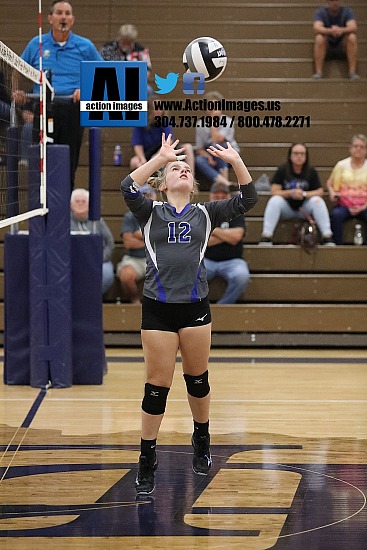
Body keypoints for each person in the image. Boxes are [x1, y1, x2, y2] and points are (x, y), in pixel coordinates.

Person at [120, 134, 258, 495]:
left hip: (195, 307)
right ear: (163, 184)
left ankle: (202, 437)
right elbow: (127, 187)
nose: (181, 171)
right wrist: (160, 157)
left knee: (197, 380)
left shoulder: (205, 213)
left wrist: (234, 161)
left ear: (192, 186)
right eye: (174, 170)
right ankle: (146, 457)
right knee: (156, 388)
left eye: (185, 168)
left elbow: (250, 198)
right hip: (158, 309)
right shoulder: (150, 211)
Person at [14, 1, 103, 189]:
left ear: (72, 19)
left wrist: (86, 89)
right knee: (41, 159)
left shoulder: (84, 46)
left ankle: (64, 208)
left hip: (73, 107)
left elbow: (103, 73)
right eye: (59, 13)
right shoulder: (37, 43)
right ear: (50, 18)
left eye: (67, 13)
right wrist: (18, 92)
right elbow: (16, 70)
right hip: (43, 107)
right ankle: (40, 208)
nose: (63, 17)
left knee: (68, 161)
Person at [259, 143, 335, 246]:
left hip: (304, 208)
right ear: (290, 155)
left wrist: (304, 194)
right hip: (287, 207)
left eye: (302, 154)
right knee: (275, 200)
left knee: (318, 201)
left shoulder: (311, 171)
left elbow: (319, 191)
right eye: (296, 153)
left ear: (306, 156)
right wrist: (290, 193)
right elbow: (274, 191)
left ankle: (327, 236)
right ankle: (266, 236)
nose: (299, 156)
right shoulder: (283, 169)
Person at [204, 182, 250, 304]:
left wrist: (213, 229)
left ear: (229, 197)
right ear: (210, 196)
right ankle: (198, 307)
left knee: (241, 275)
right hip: (206, 260)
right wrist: (227, 236)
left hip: (233, 261)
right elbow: (203, 241)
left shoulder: (236, 212)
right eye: (216, 196)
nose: (219, 199)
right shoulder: (203, 212)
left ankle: (223, 306)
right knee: (189, 272)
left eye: (223, 196)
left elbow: (237, 236)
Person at [130, 96, 195, 174]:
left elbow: (169, 141)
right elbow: (137, 145)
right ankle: (141, 183)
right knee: (134, 162)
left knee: (187, 147)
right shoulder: (141, 124)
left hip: (162, 150)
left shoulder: (165, 122)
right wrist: (142, 158)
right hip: (148, 152)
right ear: (149, 110)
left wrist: (158, 156)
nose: (159, 111)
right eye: (156, 108)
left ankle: (191, 178)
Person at [116, 183, 157, 303]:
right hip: (135, 258)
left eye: (150, 195)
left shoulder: (162, 214)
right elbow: (128, 243)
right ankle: (135, 301)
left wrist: (138, 235)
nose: (147, 197)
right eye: (144, 195)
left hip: (158, 258)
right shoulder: (130, 216)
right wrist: (152, 239)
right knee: (126, 275)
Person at [70, 188, 115, 294]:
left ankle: (92, 298)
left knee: (107, 273)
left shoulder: (98, 221)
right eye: (77, 201)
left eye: (84, 201)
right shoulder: (64, 222)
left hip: (98, 261)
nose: (80, 204)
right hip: (73, 262)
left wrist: (100, 258)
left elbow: (110, 243)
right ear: (70, 205)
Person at [326, 134, 367, 244]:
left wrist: (363, 207)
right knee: (336, 215)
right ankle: (337, 246)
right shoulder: (341, 166)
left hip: (365, 205)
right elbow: (330, 184)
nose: (358, 149)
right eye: (356, 146)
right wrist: (332, 193)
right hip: (344, 204)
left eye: (362, 147)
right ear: (350, 148)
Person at [195, 91, 240, 189]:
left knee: (217, 146)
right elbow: (199, 148)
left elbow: (217, 139)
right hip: (211, 153)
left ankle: (223, 183)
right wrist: (208, 157)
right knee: (199, 160)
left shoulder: (228, 121)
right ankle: (225, 183)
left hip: (229, 152)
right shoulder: (200, 124)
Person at [100, 24, 152, 95]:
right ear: (119, 38)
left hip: (134, 82)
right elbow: (99, 67)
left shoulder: (140, 50)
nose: (126, 44)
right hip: (110, 81)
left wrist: (139, 81)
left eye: (129, 42)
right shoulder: (107, 48)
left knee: (148, 90)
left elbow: (147, 70)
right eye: (124, 41)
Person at [313, 1, 359, 79]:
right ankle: (318, 72)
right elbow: (316, 28)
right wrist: (330, 31)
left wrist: (340, 30)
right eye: (332, 0)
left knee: (352, 37)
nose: (334, 3)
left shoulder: (347, 11)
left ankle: (352, 72)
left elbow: (353, 27)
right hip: (327, 45)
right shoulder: (320, 11)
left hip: (342, 45)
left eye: (336, 0)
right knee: (319, 38)